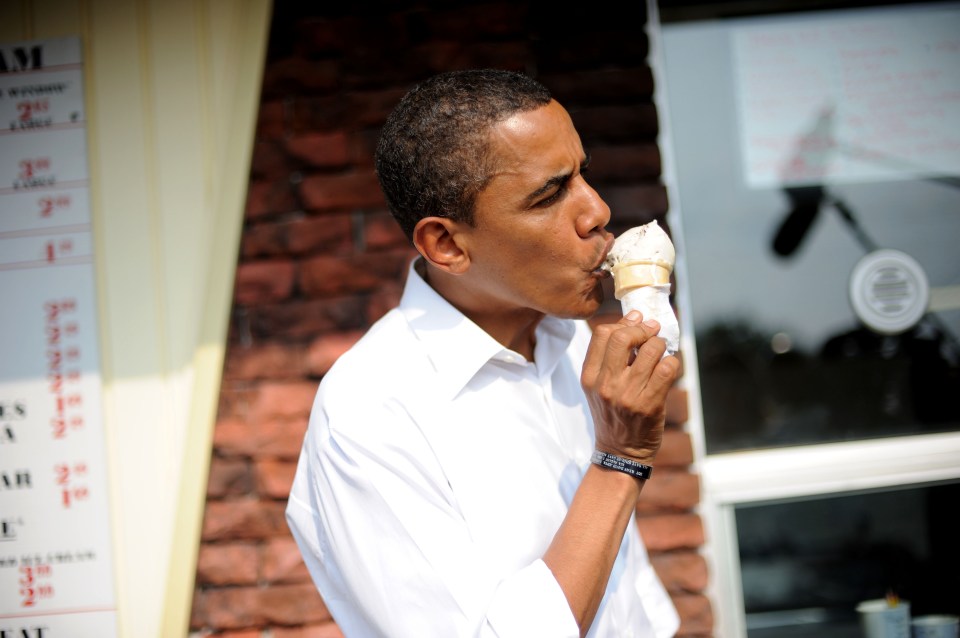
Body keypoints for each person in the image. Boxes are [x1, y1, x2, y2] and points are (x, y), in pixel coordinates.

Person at [286, 68, 682, 638]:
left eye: (582, 175)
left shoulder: (571, 342)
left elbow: (628, 589)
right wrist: (620, 460)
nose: (596, 211)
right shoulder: (368, 415)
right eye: (549, 194)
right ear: (446, 244)